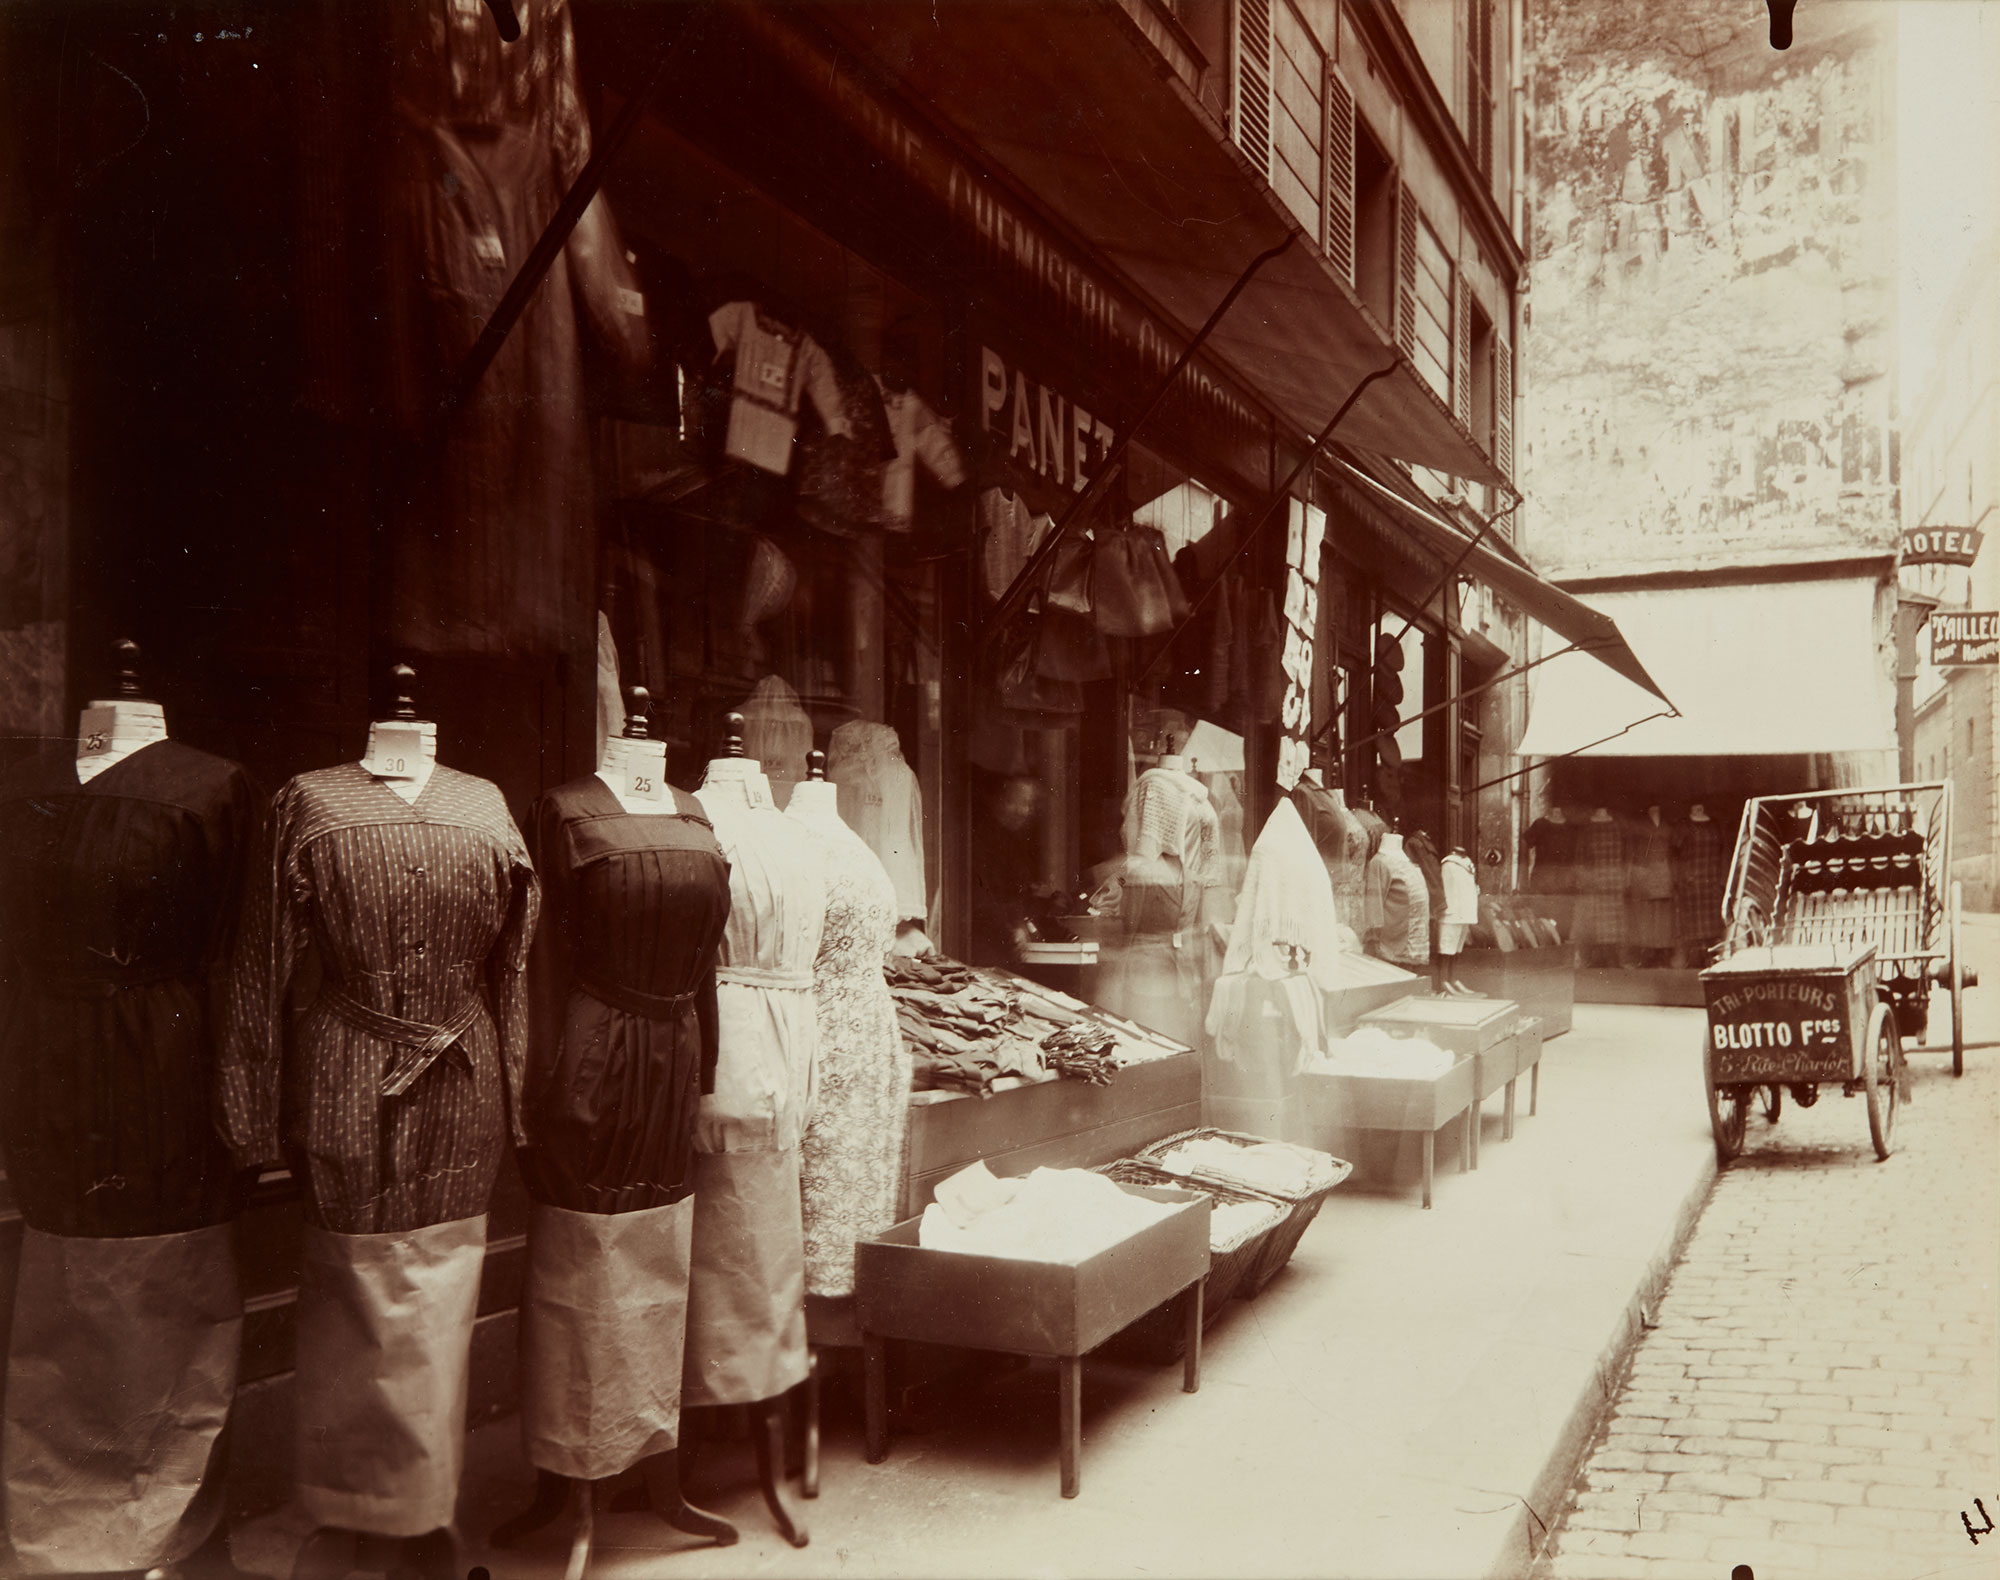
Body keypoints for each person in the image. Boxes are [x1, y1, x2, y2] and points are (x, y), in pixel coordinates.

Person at [970, 772, 1056, 963]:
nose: (1023, 811)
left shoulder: (1013, 841)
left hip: (1007, 940)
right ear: (997, 801)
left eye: (1028, 805)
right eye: (1014, 802)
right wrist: (1012, 928)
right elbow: (982, 897)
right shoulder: (982, 841)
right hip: (985, 942)